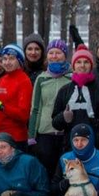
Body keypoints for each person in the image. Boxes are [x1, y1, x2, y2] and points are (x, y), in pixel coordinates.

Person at [50, 46, 99, 154]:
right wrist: (63, 117)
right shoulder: (64, 91)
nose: (82, 65)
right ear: (73, 66)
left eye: (86, 62)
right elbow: (55, 123)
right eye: (78, 62)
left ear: (91, 65)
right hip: (70, 147)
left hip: (96, 146)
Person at [27, 39, 72, 181]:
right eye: (51, 53)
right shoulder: (42, 78)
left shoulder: (72, 77)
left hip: (66, 132)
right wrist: (32, 135)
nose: (54, 56)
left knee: (65, 172)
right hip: (45, 132)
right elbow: (35, 108)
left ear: (65, 55)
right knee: (47, 171)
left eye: (58, 53)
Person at [0, 45, 33, 146]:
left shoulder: (24, 81)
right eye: (4, 59)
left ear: (19, 61)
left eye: (11, 59)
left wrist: (1, 107)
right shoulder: (2, 79)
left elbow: (23, 115)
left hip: (16, 138)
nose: (7, 62)